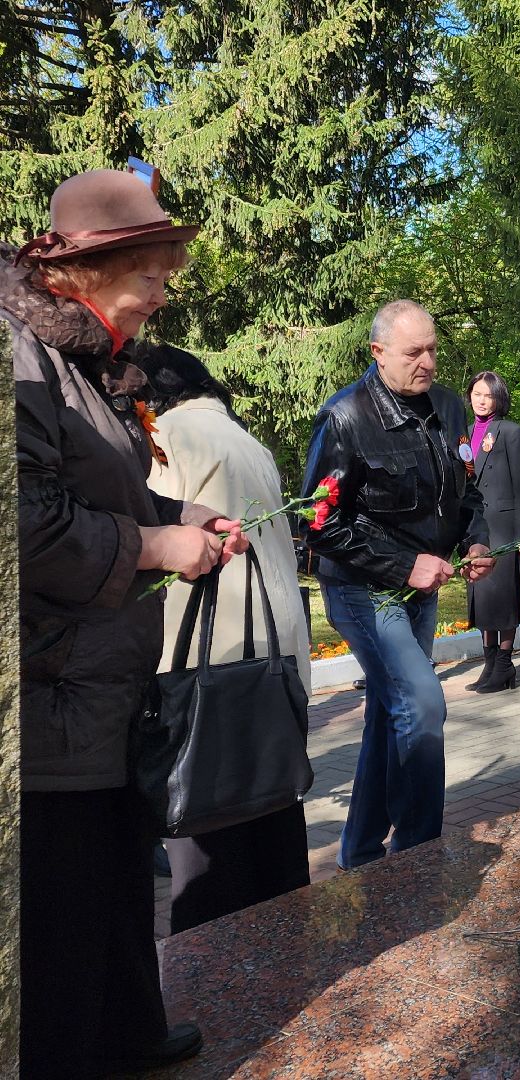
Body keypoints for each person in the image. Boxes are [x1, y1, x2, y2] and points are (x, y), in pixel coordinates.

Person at [8, 169, 248, 1075]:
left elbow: (94, 491)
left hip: (99, 685)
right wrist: (152, 550)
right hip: (51, 693)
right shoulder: (23, 361)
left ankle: (130, 1037)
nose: (160, 292)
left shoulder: (77, 359)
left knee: (113, 880)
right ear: (81, 273)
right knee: (67, 910)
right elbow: (24, 524)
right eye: (147, 272)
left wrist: (174, 516)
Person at [302, 300, 494, 870]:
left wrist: (475, 541)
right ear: (378, 353)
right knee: (422, 703)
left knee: (391, 714)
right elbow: (316, 521)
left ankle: (360, 854)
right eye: (414, 353)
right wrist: (403, 565)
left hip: (422, 589)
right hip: (363, 590)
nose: (429, 362)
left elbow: (469, 495)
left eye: (433, 349)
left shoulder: (449, 408)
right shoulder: (346, 417)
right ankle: (416, 859)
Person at [132, 342, 312, 933]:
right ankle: (284, 971)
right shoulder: (245, 438)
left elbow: (156, 536)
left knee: (211, 850)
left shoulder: (170, 435)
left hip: (211, 666)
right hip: (273, 655)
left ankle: (215, 993)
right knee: (271, 832)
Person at [463, 370, 520, 693]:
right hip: (477, 531)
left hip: (504, 529)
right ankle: (489, 662)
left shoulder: (511, 432)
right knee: (481, 596)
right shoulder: (464, 435)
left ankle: (505, 663)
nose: (480, 399)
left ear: (498, 399)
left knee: (502, 597)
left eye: (486, 395)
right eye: (476, 393)